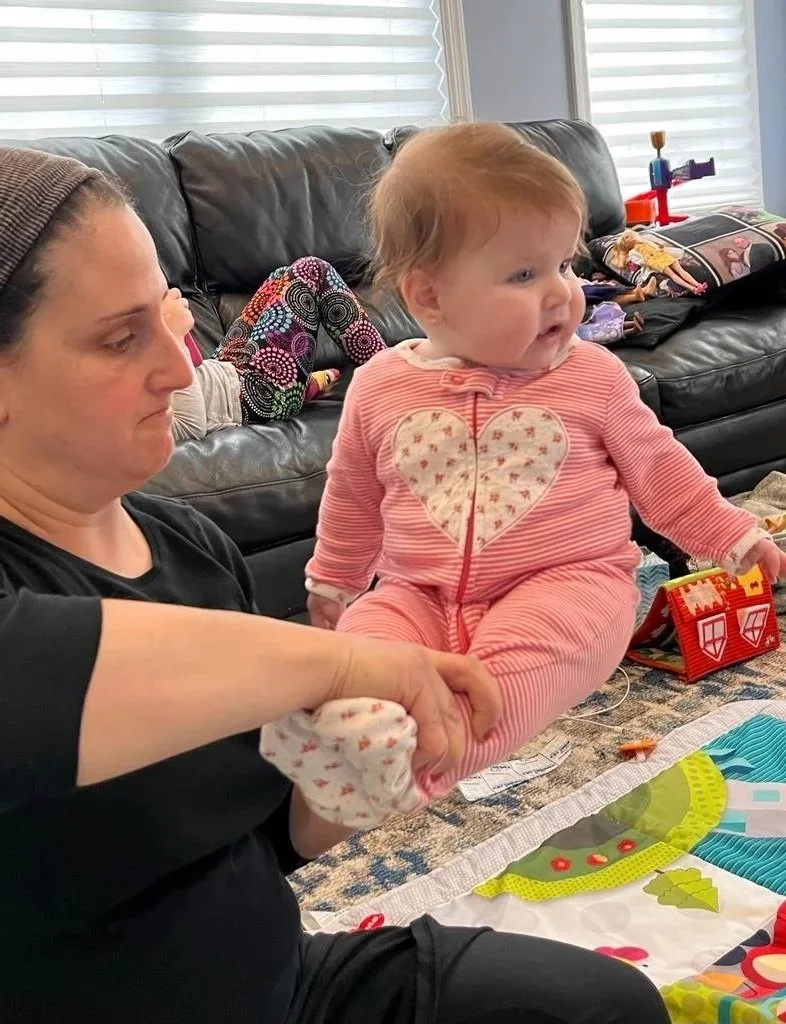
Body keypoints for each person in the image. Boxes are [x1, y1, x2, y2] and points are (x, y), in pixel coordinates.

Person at [0, 145, 670, 1024]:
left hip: (283, 990)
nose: (181, 366)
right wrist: (349, 663)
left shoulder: (191, 549)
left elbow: (260, 833)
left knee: (602, 1006)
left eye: (167, 315)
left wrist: (354, 778)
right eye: (121, 339)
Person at [302, 123, 786, 819]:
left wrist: (732, 535)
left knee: (513, 670)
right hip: (419, 592)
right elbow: (352, 496)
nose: (562, 293)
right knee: (360, 665)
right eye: (525, 275)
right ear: (430, 298)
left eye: (563, 264)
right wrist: (336, 581)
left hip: (569, 582)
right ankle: (351, 752)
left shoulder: (591, 377)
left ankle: (424, 760)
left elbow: (662, 473)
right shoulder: (380, 387)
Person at [168, 257, 386, 440]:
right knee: (311, 270)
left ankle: (306, 385)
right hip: (255, 395)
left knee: (279, 277)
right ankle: (390, 374)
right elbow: (189, 427)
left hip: (224, 370)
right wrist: (175, 337)